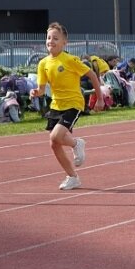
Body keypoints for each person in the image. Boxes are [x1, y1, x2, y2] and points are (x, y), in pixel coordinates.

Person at [30, 22, 104, 190]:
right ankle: (73, 177)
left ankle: (76, 144)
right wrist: (36, 92)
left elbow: (92, 75)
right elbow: (42, 89)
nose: (51, 41)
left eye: (55, 38)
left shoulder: (70, 60)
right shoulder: (43, 64)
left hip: (73, 103)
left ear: (64, 43)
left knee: (55, 136)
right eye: (48, 38)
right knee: (54, 143)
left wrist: (99, 99)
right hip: (56, 104)